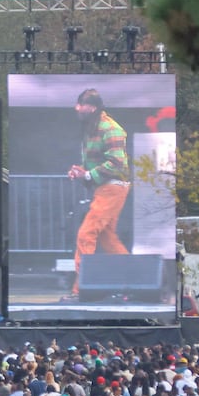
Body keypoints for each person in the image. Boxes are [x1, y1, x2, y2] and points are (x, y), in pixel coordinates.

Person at [65, 88, 130, 300]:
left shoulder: (110, 129)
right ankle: (134, 280)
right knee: (107, 238)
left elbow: (117, 163)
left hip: (113, 187)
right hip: (106, 187)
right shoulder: (93, 128)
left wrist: (88, 174)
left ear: (92, 107)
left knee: (86, 233)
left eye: (80, 104)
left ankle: (80, 289)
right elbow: (95, 164)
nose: (76, 108)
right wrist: (81, 172)